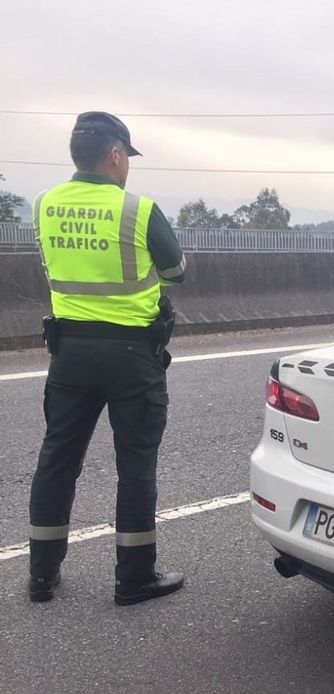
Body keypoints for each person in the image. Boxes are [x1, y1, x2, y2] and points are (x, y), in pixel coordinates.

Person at [27, 112, 187, 605]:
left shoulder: (45, 204)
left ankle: (41, 577)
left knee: (57, 460)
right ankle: (134, 577)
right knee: (135, 464)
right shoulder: (138, 209)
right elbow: (175, 270)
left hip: (69, 354)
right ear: (115, 155)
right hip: (132, 356)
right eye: (127, 159)